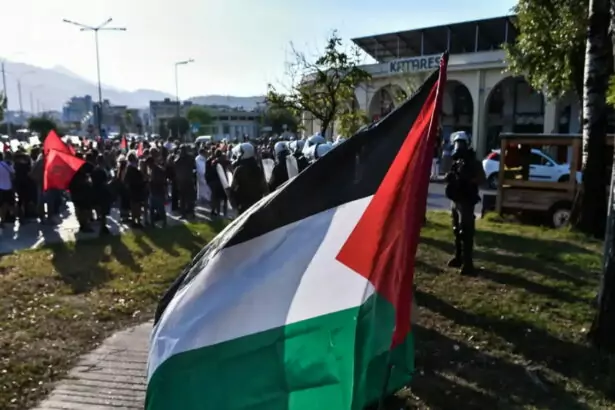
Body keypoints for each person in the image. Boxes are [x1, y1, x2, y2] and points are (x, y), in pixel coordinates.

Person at [444, 131, 485, 276]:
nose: (459, 146)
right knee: (456, 230)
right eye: (457, 143)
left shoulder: (474, 162)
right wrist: (450, 178)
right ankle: (458, 257)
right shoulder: (456, 162)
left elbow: (482, 179)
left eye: (461, 143)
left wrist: (468, 180)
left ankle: (468, 263)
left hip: (467, 201)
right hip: (456, 200)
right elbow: (451, 176)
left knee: (466, 232)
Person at [229, 143, 267, 215]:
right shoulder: (257, 168)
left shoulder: (239, 170)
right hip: (257, 203)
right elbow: (264, 186)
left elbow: (233, 187)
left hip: (244, 205)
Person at [0, 153, 15, 228]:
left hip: (0, 188)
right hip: (8, 188)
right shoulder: (8, 165)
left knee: (2, 206)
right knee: (8, 204)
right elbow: (13, 175)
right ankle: (11, 217)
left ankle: (2, 220)